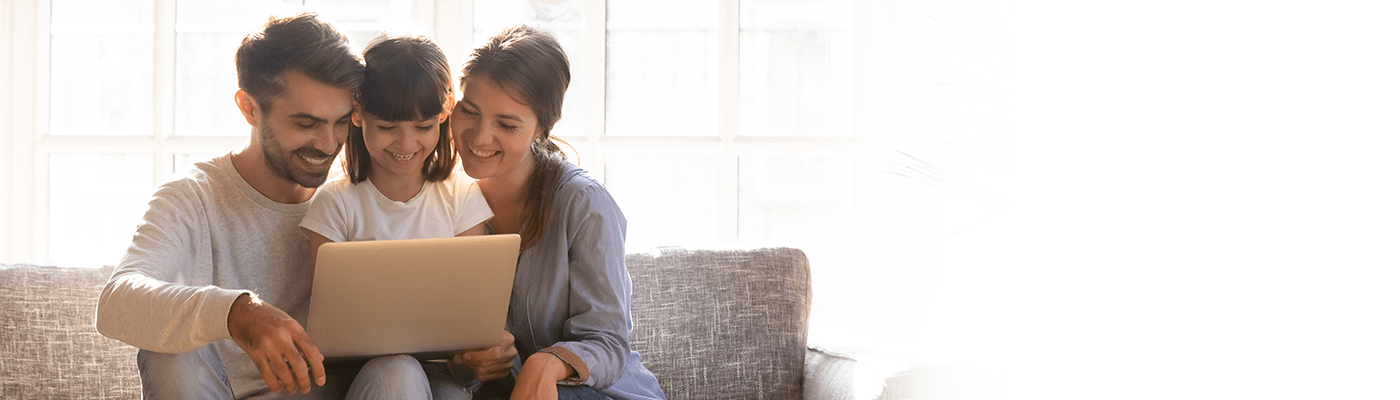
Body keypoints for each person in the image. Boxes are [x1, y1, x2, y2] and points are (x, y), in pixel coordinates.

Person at [94, 12, 430, 399]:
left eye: (341, 122)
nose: (327, 144)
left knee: (399, 370)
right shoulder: (192, 197)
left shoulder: (361, 194)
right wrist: (238, 313)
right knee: (170, 355)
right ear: (249, 108)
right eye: (306, 124)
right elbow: (116, 302)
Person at [449, 25, 666, 400]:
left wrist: (548, 362)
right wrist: (471, 361)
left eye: (506, 124)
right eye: (469, 111)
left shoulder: (584, 204)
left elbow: (609, 341)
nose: (480, 137)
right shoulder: (445, 201)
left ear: (540, 130)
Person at [298, 32, 493, 400]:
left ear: (446, 111)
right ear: (357, 113)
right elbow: (329, 326)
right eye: (388, 128)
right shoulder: (336, 204)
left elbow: (470, 320)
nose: (406, 146)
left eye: (423, 128)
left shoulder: (462, 197)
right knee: (397, 372)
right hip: (353, 377)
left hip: (441, 373)